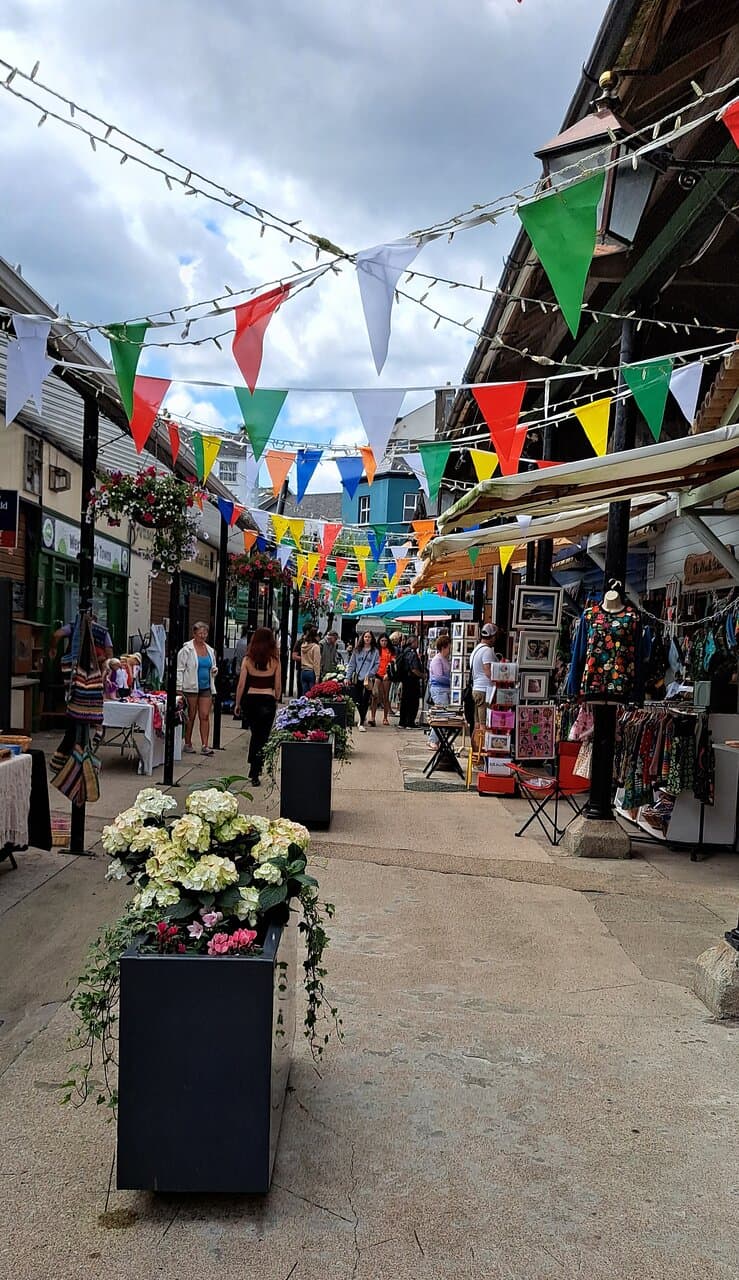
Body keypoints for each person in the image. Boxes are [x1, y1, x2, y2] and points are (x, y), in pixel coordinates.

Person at [234, 626, 282, 786]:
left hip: (251, 700)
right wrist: (276, 698)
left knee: (255, 734)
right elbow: (278, 686)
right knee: (263, 736)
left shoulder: (248, 660)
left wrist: (238, 703)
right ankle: (257, 767)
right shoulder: (275, 661)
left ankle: (254, 767)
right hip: (267, 699)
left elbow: (241, 684)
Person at [177, 621, 218, 755]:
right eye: (200, 633)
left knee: (205, 715)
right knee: (191, 715)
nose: (203, 636)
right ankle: (188, 743)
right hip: (191, 687)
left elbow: (212, 665)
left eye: (205, 633)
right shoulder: (186, 650)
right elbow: (180, 669)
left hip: (206, 686)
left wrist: (214, 670)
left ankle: (205, 745)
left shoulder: (210, 650)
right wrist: (179, 687)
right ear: (194, 634)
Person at [346, 631, 379, 732]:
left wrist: (370, 674)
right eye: (365, 637)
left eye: (369, 637)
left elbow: (377, 664)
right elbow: (352, 664)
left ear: (372, 639)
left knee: (365, 700)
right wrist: (348, 677)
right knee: (358, 700)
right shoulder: (357, 650)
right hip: (358, 678)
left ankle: (361, 722)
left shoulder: (375, 651)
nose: (367, 639)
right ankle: (361, 718)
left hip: (368, 679)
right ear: (363, 638)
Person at [470, 623, 497, 729]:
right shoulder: (487, 651)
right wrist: (498, 681)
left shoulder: (476, 650)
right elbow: (487, 671)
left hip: (476, 688)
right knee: (484, 723)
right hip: (484, 690)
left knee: (477, 722)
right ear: (492, 637)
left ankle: (476, 744)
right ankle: (482, 744)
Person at [427, 634, 452, 746]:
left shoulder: (445, 659)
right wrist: (452, 681)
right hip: (439, 690)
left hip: (444, 690)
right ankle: (433, 739)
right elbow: (437, 677)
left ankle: (438, 739)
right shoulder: (437, 660)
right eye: (449, 647)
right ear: (444, 647)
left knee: (444, 715)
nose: (450, 649)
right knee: (441, 716)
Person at [398, 634, 424, 729]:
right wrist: (423, 675)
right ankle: (410, 722)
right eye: (416, 642)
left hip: (405, 679)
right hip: (412, 680)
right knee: (412, 701)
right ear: (413, 642)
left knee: (404, 701)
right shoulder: (412, 653)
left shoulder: (404, 651)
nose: (417, 644)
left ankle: (402, 721)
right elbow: (414, 669)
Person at [369, 633, 395, 726]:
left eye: (385, 641)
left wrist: (388, 673)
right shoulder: (376, 651)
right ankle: (372, 717)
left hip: (386, 675)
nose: (384, 642)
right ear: (379, 641)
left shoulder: (390, 651)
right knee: (375, 696)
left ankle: (385, 718)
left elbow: (392, 662)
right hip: (377, 674)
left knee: (385, 696)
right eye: (382, 641)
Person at [300, 627, 321, 694]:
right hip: (311, 672)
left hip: (303, 671)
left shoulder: (303, 645)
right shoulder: (316, 647)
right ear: (316, 637)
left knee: (305, 694)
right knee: (313, 694)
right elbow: (316, 662)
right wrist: (317, 676)